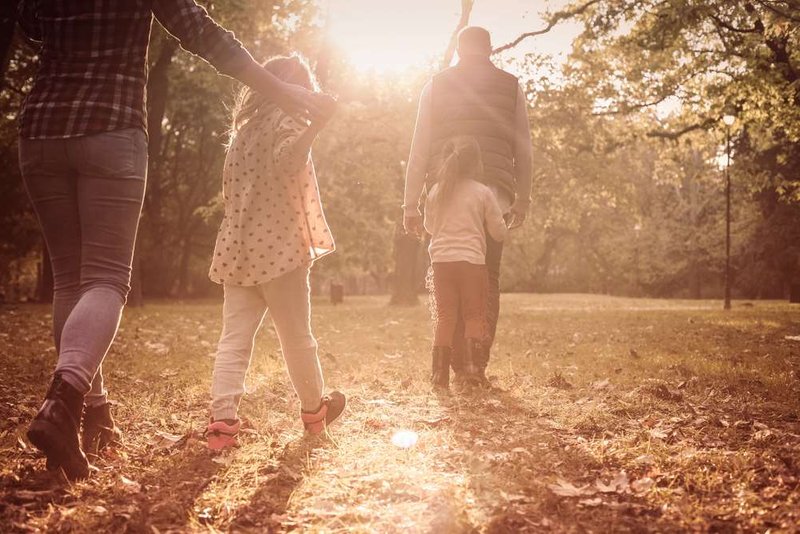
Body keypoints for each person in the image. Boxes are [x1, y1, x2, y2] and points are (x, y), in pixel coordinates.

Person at [17, 0, 329, 481]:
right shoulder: (281, 126)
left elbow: (29, 26)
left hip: (40, 128)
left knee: (69, 281)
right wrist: (289, 98)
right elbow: (197, 30)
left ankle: (91, 413)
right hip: (110, 126)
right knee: (103, 278)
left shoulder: (241, 135)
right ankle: (64, 402)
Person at [205, 56, 345, 451]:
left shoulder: (241, 134)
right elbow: (288, 159)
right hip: (280, 249)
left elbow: (230, 194)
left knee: (233, 340)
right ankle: (315, 416)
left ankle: (221, 427)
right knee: (297, 338)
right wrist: (316, 125)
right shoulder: (287, 122)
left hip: (238, 250)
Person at [403, 26, 533, 386]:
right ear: (490, 50)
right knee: (485, 278)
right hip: (497, 192)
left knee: (449, 274)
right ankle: (476, 364)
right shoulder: (511, 86)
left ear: (460, 50)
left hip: (444, 194)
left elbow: (418, 150)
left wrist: (410, 204)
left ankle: (453, 363)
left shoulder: (435, 85)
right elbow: (523, 149)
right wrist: (523, 196)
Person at [424, 136, 507, 389]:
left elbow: (428, 226)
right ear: (476, 164)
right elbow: (498, 232)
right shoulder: (482, 192)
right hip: (471, 262)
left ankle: (439, 376)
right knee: (473, 316)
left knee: (446, 317)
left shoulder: (436, 191)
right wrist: (507, 222)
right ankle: (471, 372)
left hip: (441, 262)